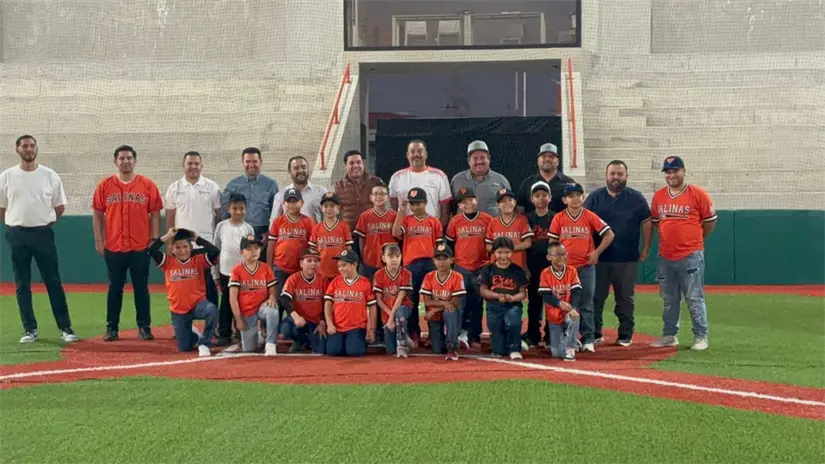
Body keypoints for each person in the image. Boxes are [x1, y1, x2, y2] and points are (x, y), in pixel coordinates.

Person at [0, 135, 77, 344]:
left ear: (37, 149)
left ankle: (65, 328)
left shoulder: (50, 175)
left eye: (32, 145)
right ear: (17, 150)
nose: (29, 149)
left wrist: (44, 221)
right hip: (17, 234)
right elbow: (2, 208)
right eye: (25, 146)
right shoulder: (6, 176)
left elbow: (59, 207)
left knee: (53, 281)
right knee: (22, 284)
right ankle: (29, 329)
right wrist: (15, 224)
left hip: (43, 234)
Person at [92, 144, 163, 342]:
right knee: (115, 289)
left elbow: (155, 213)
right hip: (114, 246)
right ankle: (112, 328)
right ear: (115, 161)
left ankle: (144, 327)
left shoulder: (147, 185)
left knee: (141, 289)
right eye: (122, 158)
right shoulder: (105, 185)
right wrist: (99, 240)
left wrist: (154, 240)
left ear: (135, 160)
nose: (125, 161)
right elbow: (97, 214)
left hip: (140, 246)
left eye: (129, 158)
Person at [649, 156, 716, 351]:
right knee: (669, 300)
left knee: (694, 298)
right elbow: (657, 223)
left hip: (690, 255)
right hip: (666, 256)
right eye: (668, 172)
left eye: (675, 171)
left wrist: (695, 240)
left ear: (684, 171)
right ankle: (670, 335)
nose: (671, 175)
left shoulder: (698, 194)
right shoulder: (659, 196)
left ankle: (701, 335)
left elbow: (710, 221)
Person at [583, 160, 652, 347]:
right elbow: (584, 222)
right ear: (606, 175)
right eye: (612, 173)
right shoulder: (594, 197)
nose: (616, 177)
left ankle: (625, 334)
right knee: (595, 297)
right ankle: (595, 332)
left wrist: (646, 248)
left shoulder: (636, 198)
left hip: (626, 258)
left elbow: (647, 222)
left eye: (620, 174)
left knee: (625, 298)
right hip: (599, 258)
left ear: (626, 176)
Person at [548, 183, 615, 353]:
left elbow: (609, 234)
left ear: (583, 197)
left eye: (578, 195)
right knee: (565, 303)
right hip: (565, 269)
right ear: (564, 200)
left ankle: (588, 338)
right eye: (571, 196)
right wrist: (555, 261)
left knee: (586, 303)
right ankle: (567, 337)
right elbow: (552, 242)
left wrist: (597, 252)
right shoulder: (559, 218)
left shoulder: (589, 215)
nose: (575, 199)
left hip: (585, 267)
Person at [147, 228, 219, 356]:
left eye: (185, 247)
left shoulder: (199, 260)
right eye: (178, 248)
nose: (182, 250)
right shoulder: (168, 262)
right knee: (185, 348)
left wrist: (197, 238)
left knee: (212, 310)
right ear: (173, 250)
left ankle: (204, 343)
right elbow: (151, 250)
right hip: (178, 309)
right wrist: (167, 236)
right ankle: (195, 335)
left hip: (198, 304)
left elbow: (215, 251)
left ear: (191, 248)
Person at [164, 151, 222, 305]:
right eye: (189, 163)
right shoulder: (174, 188)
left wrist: (216, 243)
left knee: (209, 286)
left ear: (202, 165)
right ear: (183, 166)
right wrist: (169, 245)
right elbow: (170, 218)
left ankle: (212, 317)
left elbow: (218, 216)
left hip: (205, 245)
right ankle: (185, 317)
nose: (193, 166)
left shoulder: (212, 187)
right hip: (183, 247)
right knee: (185, 287)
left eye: (196, 163)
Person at [392, 187, 444, 346]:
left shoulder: (433, 221)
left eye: (418, 203)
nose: (415, 207)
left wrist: (439, 266)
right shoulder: (407, 220)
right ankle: (414, 332)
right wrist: (401, 210)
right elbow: (395, 233)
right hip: (411, 264)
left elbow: (439, 246)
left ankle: (434, 333)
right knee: (411, 299)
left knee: (432, 298)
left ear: (426, 203)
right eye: (412, 204)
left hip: (429, 263)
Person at [445, 187, 492, 349]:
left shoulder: (487, 219)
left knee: (477, 304)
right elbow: (450, 244)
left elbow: (491, 243)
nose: (468, 204)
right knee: (460, 303)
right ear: (459, 205)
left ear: (476, 200)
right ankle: (458, 334)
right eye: (463, 202)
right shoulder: (455, 221)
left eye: (470, 200)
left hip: (481, 267)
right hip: (461, 268)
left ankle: (474, 336)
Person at [212, 193, 255, 346]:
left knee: (242, 302)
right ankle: (224, 332)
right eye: (234, 208)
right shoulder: (221, 226)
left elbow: (252, 252)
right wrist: (215, 273)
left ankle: (240, 330)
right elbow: (216, 250)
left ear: (246, 209)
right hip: (225, 272)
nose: (238, 211)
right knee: (226, 303)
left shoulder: (248, 228)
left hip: (243, 273)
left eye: (241, 208)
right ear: (228, 209)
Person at [477, 237, 530, 360]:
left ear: (512, 252)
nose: (503, 256)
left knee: (513, 321)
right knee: (499, 351)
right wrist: (497, 296)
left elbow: (522, 294)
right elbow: (483, 291)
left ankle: (515, 347)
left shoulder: (518, 270)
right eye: (499, 252)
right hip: (494, 307)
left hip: (512, 306)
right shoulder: (487, 269)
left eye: (507, 252)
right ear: (494, 252)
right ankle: (507, 342)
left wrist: (513, 298)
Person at [221, 147, 278, 255]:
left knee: (259, 264)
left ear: (260, 162)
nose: (251, 165)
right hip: (238, 230)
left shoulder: (271, 184)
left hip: (262, 234)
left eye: (255, 161)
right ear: (242, 162)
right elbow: (225, 212)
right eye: (248, 161)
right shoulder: (232, 185)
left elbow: (275, 213)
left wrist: (269, 233)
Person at [228, 236, 279, 356]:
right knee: (249, 348)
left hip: (262, 307)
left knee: (272, 310)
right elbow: (233, 297)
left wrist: (272, 297)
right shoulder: (237, 270)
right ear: (241, 252)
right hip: (247, 312)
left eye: (256, 248)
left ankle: (271, 344)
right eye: (249, 248)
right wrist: (238, 319)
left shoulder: (265, 268)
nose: (254, 251)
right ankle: (259, 336)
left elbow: (272, 288)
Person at [324, 250, 377, 357]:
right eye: (339, 266)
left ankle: (354, 342)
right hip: (338, 327)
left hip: (357, 327)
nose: (340, 269)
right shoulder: (335, 282)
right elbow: (328, 304)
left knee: (355, 352)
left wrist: (372, 329)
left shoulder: (365, 282)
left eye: (344, 265)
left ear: (354, 265)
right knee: (332, 351)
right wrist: (329, 324)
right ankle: (345, 343)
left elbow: (372, 307)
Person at [267, 188, 315, 305]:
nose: (291, 204)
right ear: (284, 203)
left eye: (295, 201)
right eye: (289, 201)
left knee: (297, 302)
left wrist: (309, 267)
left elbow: (312, 247)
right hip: (280, 267)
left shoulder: (308, 222)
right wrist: (269, 268)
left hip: (299, 269)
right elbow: (271, 245)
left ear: (302, 203)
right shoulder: (278, 221)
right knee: (276, 301)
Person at [388, 140, 452, 227]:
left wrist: (439, 230)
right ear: (407, 155)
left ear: (426, 154)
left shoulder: (439, 176)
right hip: (405, 230)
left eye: (419, 151)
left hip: (431, 230)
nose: (416, 154)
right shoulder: (396, 177)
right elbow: (393, 207)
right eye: (412, 151)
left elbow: (445, 209)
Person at [420, 244, 467, 360]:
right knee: (437, 350)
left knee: (450, 311)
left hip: (448, 313)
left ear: (452, 260)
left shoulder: (457, 276)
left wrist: (437, 308)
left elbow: (455, 302)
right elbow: (427, 302)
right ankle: (453, 340)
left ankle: (452, 347)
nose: (442, 262)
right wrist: (445, 303)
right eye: (438, 259)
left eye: (445, 258)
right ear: (434, 261)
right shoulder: (429, 277)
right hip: (435, 316)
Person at [538, 242, 582, 362]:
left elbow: (576, 292)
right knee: (557, 353)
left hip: (568, 312)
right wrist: (559, 303)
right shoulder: (545, 273)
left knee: (575, 316)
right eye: (557, 255)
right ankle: (571, 339)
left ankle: (571, 347)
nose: (562, 257)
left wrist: (573, 308)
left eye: (564, 254)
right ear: (549, 257)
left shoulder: (572, 270)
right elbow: (546, 295)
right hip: (554, 316)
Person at [524, 181, 555, 347]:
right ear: (532, 199)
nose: (541, 198)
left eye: (544, 195)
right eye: (537, 196)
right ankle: (533, 334)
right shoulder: (527, 218)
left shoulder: (555, 217)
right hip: (533, 264)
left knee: (551, 300)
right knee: (534, 301)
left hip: (551, 265)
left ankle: (551, 334)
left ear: (550, 197)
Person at [279, 248, 328, 354]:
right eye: (309, 261)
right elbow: (284, 299)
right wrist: (295, 316)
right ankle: (299, 340)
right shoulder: (294, 278)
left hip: (316, 322)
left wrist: (323, 321)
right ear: (301, 263)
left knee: (321, 350)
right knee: (286, 328)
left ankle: (307, 341)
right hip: (299, 320)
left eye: (316, 261)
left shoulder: (323, 280)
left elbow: (327, 303)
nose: (313, 264)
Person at [372, 243, 414, 357]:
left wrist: (392, 318)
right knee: (390, 350)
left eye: (397, 256)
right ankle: (405, 337)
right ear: (384, 258)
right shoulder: (379, 274)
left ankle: (402, 346)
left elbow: (400, 298)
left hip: (402, 307)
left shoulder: (406, 273)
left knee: (400, 314)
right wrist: (390, 317)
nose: (394, 259)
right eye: (390, 256)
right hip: (387, 311)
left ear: (401, 257)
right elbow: (379, 300)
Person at [450, 140, 511, 217]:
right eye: (475, 158)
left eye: (482, 157)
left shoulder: (501, 181)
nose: (479, 161)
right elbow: (450, 209)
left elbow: (509, 209)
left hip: (493, 224)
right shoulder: (457, 180)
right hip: (464, 225)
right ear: (469, 161)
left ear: (489, 159)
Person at [333, 149, 384, 233]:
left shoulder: (377, 182)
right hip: (349, 235)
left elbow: (386, 208)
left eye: (358, 162)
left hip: (373, 233)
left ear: (363, 164)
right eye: (351, 163)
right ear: (345, 166)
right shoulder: (338, 187)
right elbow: (334, 215)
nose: (356, 166)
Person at [354, 183, 397, 280]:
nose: (379, 196)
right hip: (370, 260)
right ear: (371, 197)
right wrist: (363, 257)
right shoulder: (365, 216)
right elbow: (361, 239)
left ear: (388, 197)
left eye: (382, 194)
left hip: (390, 261)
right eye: (376, 194)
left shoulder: (394, 215)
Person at [516, 143, 574, 215]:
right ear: (538, 161)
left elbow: (575, 208)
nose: (547, 159)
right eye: (544, 156)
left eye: (551, 157)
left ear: (558, 162)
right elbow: (520, 210)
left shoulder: (569, 183)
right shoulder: (527, 183)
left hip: (562, 222)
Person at [485, 188, 534, 271]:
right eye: (503, 201)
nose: (507, 203)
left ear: (515, 202)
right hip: (496, 267)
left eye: (510, 200)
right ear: (497, 205)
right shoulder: (493, 222)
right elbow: (488, 246)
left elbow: (528, 243)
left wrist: (509, 249)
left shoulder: (522, 220)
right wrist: (502, 252)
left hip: (517, 265)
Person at [270, 155, 328, 223]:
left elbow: (330, 217)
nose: (300, 170)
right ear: (290, 171)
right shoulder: (281, 195)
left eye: (303, 167)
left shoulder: (321, 191)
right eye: (296, 168)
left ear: (308, 169)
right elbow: (274, 222)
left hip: (314, 230)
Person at [310, 192, 354, 279]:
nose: (329, 209)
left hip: (340, 270)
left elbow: (348, 249)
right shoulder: (316, 228)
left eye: (332, 206)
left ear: (338, 208)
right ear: (321, 208)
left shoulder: (344, 226)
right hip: (321, 271)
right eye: (325, 206)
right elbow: (312, 250)